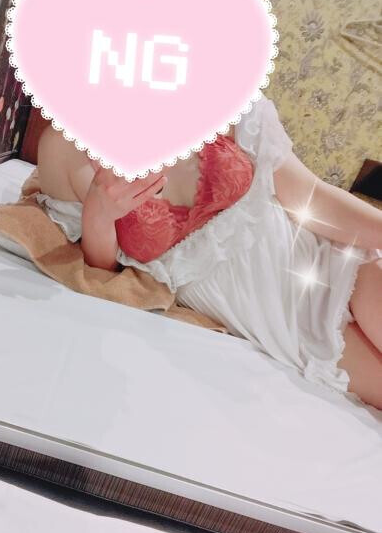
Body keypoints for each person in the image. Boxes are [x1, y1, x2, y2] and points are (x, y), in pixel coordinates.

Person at [36, 94, 382, 409]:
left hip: (333, 264)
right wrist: (99, 215)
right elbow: (104, 276)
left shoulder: (220, 92)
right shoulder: (65, 147)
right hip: (284, 330)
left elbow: (309, 195)